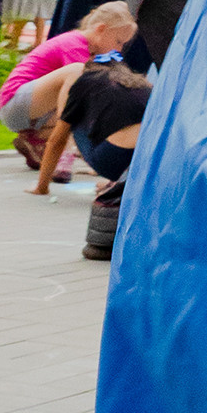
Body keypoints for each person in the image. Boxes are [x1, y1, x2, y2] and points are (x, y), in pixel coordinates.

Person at [0, 0, 140, 174]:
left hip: (31, 110)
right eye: (118, 42)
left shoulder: (90, 49)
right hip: (15, 101)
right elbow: (86, 97)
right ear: (101, 29)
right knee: (78, 80)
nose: (119, 49)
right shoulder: (74, 45)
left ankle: (34, 139)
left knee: (82, 107)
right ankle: (65, 152)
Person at [60, 59, 152, 261]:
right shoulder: (143, 84)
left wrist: (41, 187)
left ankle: (114, 179)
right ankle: (120, 181)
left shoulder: (86, 81)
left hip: (112, 159)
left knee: (73, 119)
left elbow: (58, 137)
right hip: (147, 160)